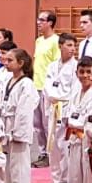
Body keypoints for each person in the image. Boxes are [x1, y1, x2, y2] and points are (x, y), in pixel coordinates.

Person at [0, 48, 39, 183]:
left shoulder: (27, 84)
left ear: (21, 63)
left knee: (20, 165)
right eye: (6, 60)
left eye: (10, 60)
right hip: (8, 123)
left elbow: (25, 110)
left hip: (18, 126)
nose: (6, 63)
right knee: (8, 165)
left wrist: (18, 132)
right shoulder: (9, 80)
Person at [44, 36, 78, 183]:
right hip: (53, 106)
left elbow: (75, 91)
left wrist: (69, 111)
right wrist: (52, 97)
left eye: (74, 45)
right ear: (60, 46)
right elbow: (47, 84)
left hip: (65, 108)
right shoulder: (52, 66)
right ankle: (56, 178)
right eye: (69, 45)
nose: (72, 48)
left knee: (63, 146)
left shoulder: (75, 67)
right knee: (52, 145)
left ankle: (64, 180)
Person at [61, 56, 92, 183]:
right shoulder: (75, 93)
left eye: (89, 72)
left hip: (87, 140)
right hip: (74, 139)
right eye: (82, 71)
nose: (85, 75)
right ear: (76, 73)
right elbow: (68, 114)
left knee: (87, 179)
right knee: (74, 178)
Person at [33, 11, 60, 157]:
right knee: (36, 123)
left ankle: (51, 154)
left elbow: (57, 65)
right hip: (36, 85)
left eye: (42, 20)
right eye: (38, 19)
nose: (38, 22)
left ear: (50, 23)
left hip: (47, 88)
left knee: (47, 122)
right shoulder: (38, 41)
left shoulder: (56, 41)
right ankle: (42, 152)